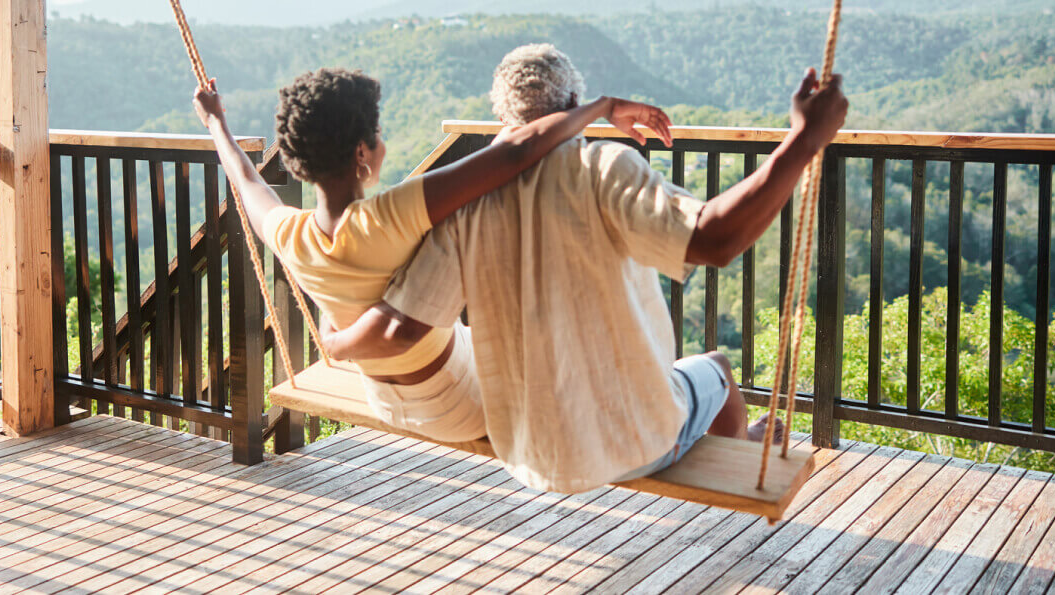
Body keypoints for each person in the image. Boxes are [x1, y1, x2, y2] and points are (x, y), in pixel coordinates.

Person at [319, 44, 848, 493]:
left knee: (688, 381)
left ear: (507, 120)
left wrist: (335, 342)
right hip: (633, 443)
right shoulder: (601, 169)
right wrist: (804, 140)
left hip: (531, 452)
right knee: (718, 370)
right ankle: (742, 449)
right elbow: (715, 239)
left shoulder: (468, 202)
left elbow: (400, 326)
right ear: (574, 106)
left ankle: (725, 444)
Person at [193, 66, 674, 444]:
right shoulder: (388, 216)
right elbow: (511, 157)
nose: (382, 142)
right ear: (363, 152)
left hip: (388, 399)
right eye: (377, 134)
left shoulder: (289, 233)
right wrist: (602, 106)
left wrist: (217, 122)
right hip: (460, 404)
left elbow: (247, 179)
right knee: (476, 213)